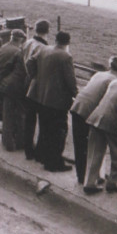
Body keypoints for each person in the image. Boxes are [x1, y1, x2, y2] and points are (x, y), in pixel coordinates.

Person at [84, 63, 117, 194]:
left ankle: (89, 183)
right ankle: (113, 182)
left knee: (94, 152)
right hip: (113, 122)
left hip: (97, 117)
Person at [69, 56, 117, 185]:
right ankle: (87, 177)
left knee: (80, 144)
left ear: (109, 66)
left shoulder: (99, 74)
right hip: (88, 112)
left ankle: (82, 176)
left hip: (78, 105)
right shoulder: (114, 81)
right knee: (89, 146)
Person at [33, 31, 78, 171]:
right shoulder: (66, 56)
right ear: (68, 42)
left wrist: (38, 79)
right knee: (58, 132)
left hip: (42, 96)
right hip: (57, 100)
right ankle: (54, 163)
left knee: (45, 127)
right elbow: (70, 80)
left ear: (56, 39)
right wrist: (76, 94)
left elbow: (31, 63)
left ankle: (40, 155)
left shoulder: (44, 49)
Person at [22, 20, 51, 161]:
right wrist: (34, 76)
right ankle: (37, 150)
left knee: (28, 118)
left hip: (25, 81)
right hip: (35, 84)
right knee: (39, 118)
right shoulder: (42, 47)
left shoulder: (28, 42)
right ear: (47, 31)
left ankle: (27, 148)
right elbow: (32, 63)